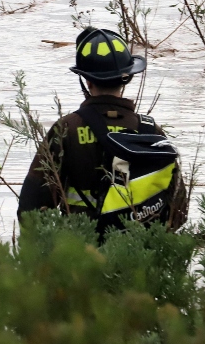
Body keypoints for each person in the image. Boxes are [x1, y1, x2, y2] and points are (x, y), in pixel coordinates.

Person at [18, 27, 186, 233]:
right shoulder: (150, 131)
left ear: (87, 80)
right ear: (127, 77)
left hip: (79, 248)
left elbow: (31, 209)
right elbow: (178, 210)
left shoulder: (66, 129)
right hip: (141, 249)